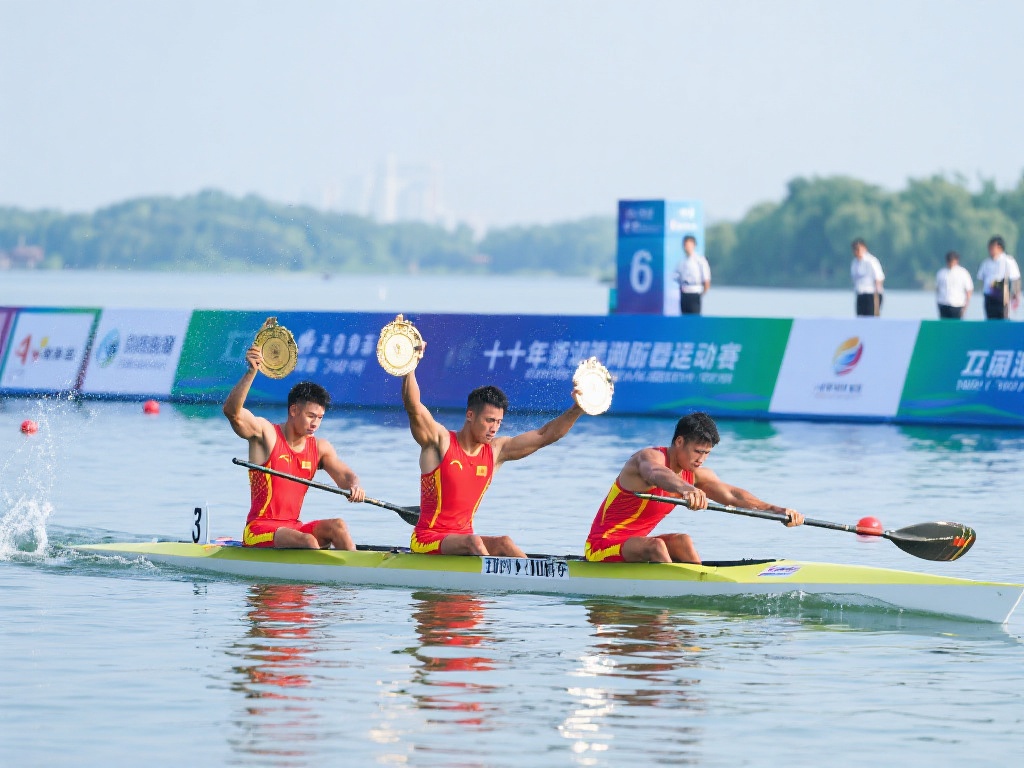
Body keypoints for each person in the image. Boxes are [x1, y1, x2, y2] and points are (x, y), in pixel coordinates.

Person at [403, 343, 587, 557]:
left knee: (505, 543)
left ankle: (539, 584)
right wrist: (410, 366)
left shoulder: (496, 451)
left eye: (498, 422)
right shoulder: (440, 442)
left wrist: (577, 409)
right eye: (489, 420)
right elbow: (413, 407)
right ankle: (488, 586)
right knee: (473, 541)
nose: (494, 428)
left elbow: (544, 436)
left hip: (466, 540)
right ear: (470, 415)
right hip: (428, 539)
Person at [584, 412, 803, 564]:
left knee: (683, 541)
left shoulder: (696, 474)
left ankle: (700, 589)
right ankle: (675, 593)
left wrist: (777, 510)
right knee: (656, 547)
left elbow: (734, 497)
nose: (702, 459)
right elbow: (656, 474)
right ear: (679, 441)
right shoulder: (649, 458)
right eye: (698, 451)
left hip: (637, 544)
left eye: (707, 453)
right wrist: (688, 489)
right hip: (603, 545)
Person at [223, 344, 365, 549]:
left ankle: (356, 574)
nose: (315, 423)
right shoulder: (266, 434)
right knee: (308, 541)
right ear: (293, 410)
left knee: (338, 526)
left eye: (320, 418)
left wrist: (355, 486)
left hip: (293, 527)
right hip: (259, 529)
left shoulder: (320, 448)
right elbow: (232, 412)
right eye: (310, 416)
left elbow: (345, 476)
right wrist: (251, 372)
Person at [977, 236, 1021, 320]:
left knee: (1003, 318)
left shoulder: (1008, 261)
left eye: (992, 247)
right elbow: (981, 278)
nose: (990, 250)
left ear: (999, 247)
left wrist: (1016, 294)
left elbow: (1015, 278)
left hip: (1002, 295)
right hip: (989, 295)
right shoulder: (986, 263)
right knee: (990, 319)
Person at [672, 235, 711, 315]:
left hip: (695, 293)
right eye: (685, 245)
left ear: (694, 245)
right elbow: (676, 277)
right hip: (684, 293)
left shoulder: (700, 260)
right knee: (684, 319)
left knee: (694, 318)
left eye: (688, 245)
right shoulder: (682, 262)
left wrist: (701, 293)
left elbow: (706, 280)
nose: (686, 247)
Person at [935, 251, 974, 319]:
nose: (950, 263)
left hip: (957, 305)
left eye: (952, 261)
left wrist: (965, 307)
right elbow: (937, 290)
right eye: (949, 261)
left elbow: (969, 290)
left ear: (956, 261)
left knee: (956, 327)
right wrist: (938, 304)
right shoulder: (941, 273)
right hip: (943, 304)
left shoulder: (963, 273)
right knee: (944, 326)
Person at [850, 238, 884, 316]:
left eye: (858, 249)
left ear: (864, 248)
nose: (857, 252)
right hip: (860, 294)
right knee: (860, 318)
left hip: (871, 294)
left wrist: (877, 296)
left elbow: (879, 277)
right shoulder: (854, 263)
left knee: (871, 318)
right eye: (855, 249)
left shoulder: (871, 261)